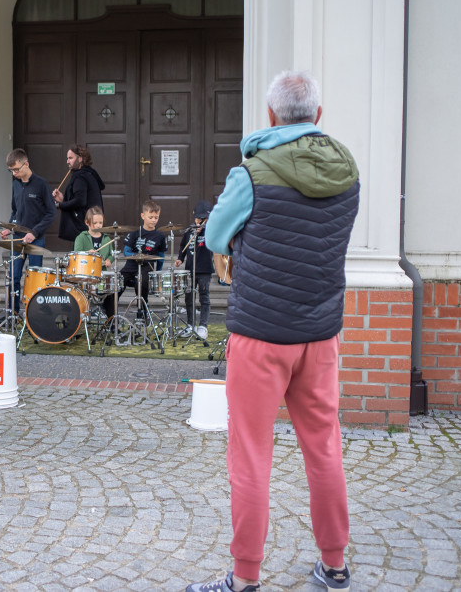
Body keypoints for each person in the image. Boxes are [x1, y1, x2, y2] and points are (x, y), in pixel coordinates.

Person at [189, 71, 358, 592]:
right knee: (324, 448)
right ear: (318, 118)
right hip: (321, 333)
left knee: (250, 455)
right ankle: (334, 565)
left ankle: (243, 580)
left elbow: (214, 236)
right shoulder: (347, 171)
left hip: (261, 334)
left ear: (269, 118)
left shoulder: (251, 173)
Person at [0, 148, 56, 311]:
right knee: (14, 277)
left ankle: (34, 315)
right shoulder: (15, 185)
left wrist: (35, 232)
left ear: (27, 164)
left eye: (16, 169)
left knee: (35, 279)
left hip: (36, 240)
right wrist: (9, 228)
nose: (14, 173)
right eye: (11, 170)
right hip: (17, 239)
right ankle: (13, 313)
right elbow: (15, 211)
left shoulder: (41, 184)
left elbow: (51, 213)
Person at [106, 200, 166, 321]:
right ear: (143, 216)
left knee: (142, 282)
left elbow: (161, 257)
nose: (154, 220)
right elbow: (126, 251)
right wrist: (137, 255)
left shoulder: (160, 236)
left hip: (146, 267)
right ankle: (111, 318)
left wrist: (156, 273)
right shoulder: (134, 234)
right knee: (115, 285)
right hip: (130, 266)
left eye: (156, 217)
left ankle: (142, 314)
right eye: (151, 217)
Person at [52, 144, 105, 242]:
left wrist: (60, 205)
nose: (67, 161)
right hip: (91, 225)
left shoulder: (80, 177)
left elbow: (80, 201)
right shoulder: (89, 174)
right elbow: (83, 199)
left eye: (70, 158)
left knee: (81, 255)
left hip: (83, 228)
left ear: (80, 158)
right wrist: (63, 199)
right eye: (67, 158)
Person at [176, 200, 213, 339]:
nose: (200, 221)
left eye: (203, 219)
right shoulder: (189, 231)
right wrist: (180, 258)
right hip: (190, 269)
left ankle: (203, 326)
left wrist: (204, 230)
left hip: (204, 269)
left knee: (204, 297)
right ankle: (190, 325)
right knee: (189, 297)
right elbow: (183, 246)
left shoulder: (211, 230)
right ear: (194, 215)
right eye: (198, 218)